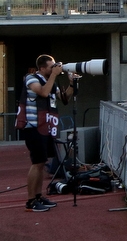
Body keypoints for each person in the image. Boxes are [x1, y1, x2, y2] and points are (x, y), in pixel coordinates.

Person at [15, 54, 78, 212]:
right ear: (42, 68)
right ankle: (30, 201)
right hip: (33, 127)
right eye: (51, 66)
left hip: (46, 126)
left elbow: (64, 98)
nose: (54, 68)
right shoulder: (31, 78)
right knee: (37, 163)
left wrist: (72, 84)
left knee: (42, 162)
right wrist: (55, 76)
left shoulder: (50, 82)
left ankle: (38, 196)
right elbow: (43, 92)